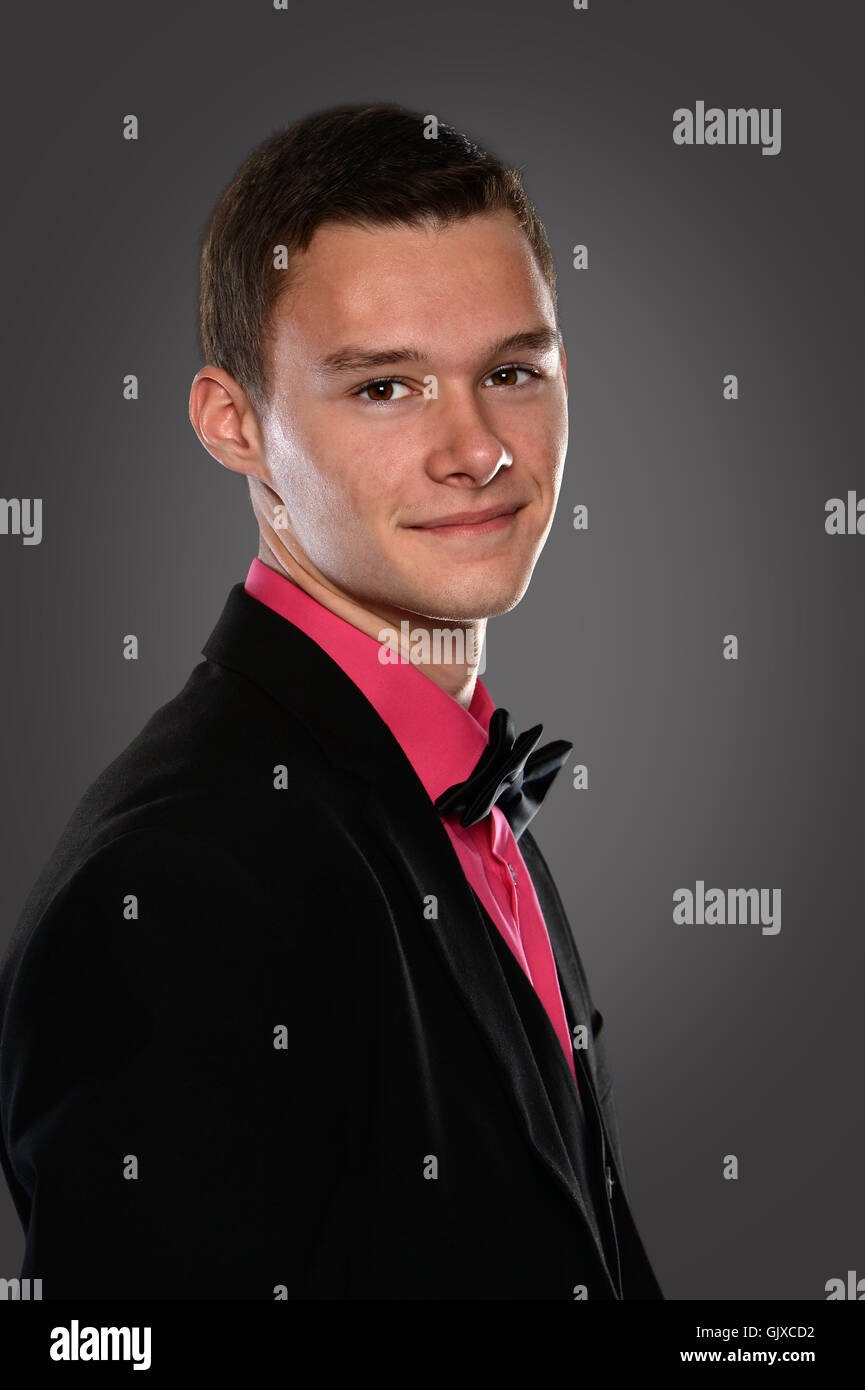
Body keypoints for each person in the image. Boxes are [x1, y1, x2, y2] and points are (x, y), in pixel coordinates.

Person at [0, 102, 663, 1300]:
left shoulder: (449, 784)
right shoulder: (185, 884)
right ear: (232, 423)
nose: (477, 449)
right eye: (385, 389)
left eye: (512, 372)